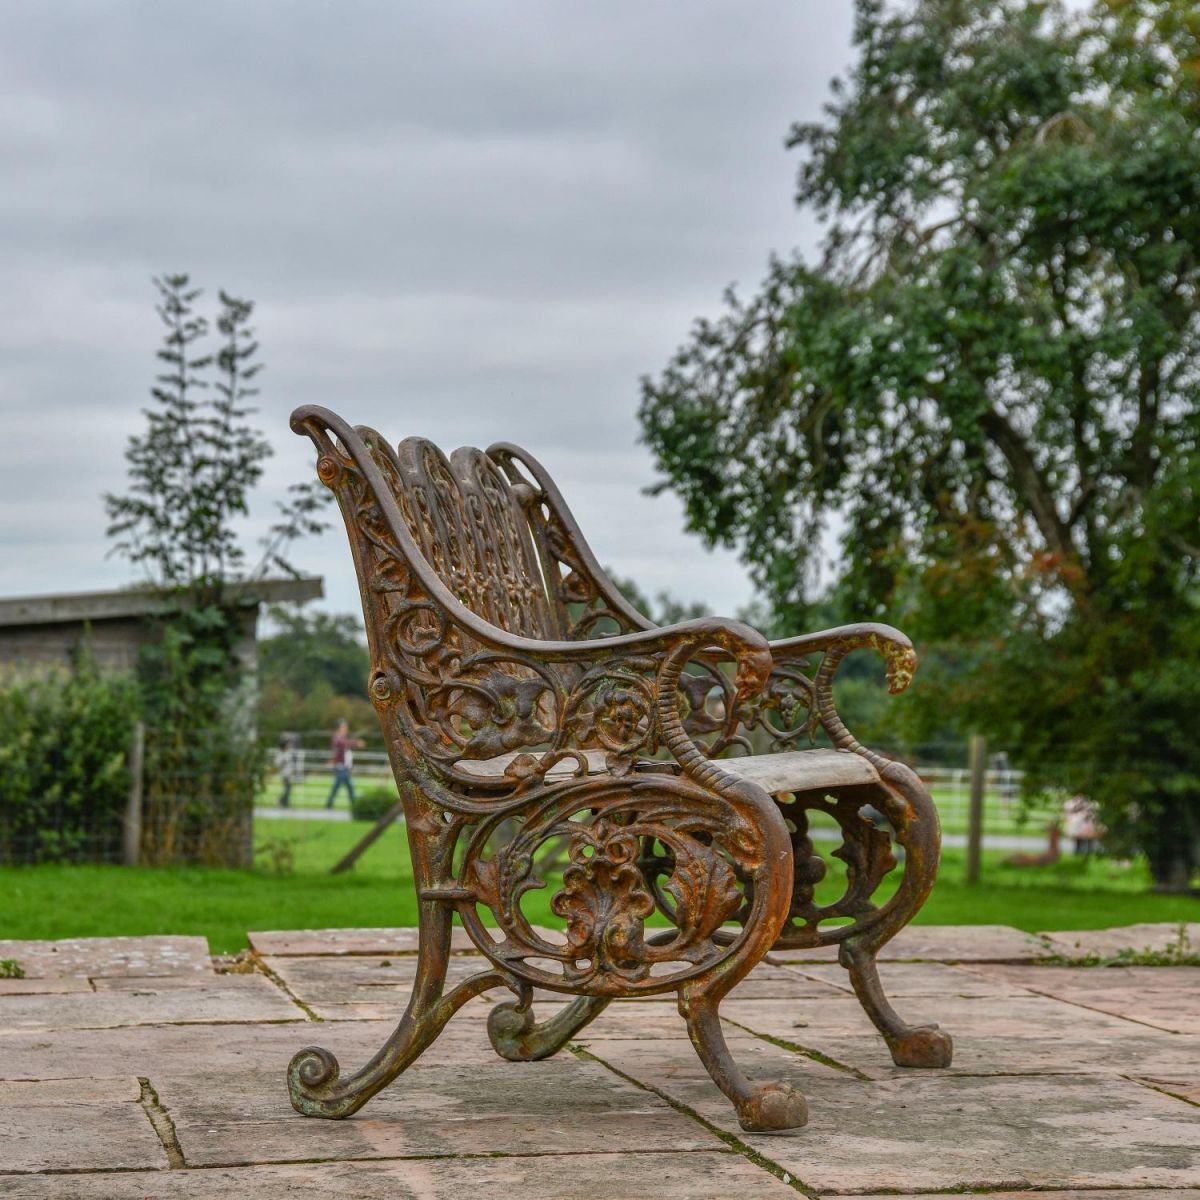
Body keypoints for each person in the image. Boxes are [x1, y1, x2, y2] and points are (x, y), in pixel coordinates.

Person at [326, 719, 365, 809]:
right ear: (339, 728)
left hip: (344, 767)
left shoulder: (342, 737)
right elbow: (343, 744)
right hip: (341, 766)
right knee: (346, 786)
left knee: (345, 786)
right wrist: (356, 743)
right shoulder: (337, 737)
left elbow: (345, 744)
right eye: (344, 727)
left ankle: (330, 804)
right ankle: (354, 805)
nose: (346, 729)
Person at [275, 732, 303, 807]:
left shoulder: (288, 752)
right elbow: (277, 763)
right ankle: (281, 801)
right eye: (288, 744)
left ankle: (285, 802)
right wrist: (283, 762)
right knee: (288, 788)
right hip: (285, 774)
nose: (290, 745)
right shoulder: (281, 754)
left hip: (289, 773)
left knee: (288, 788)